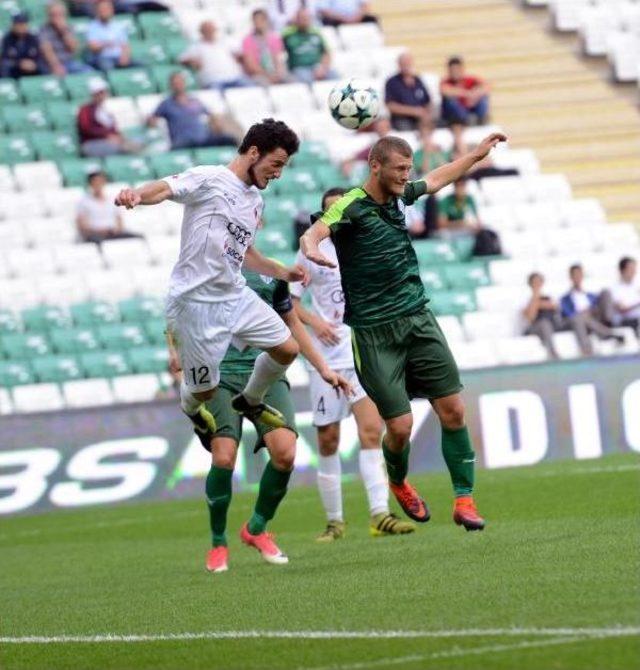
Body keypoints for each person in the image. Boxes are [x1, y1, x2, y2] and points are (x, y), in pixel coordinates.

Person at [114, 122, 324, 550]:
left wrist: (282, 271)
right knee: (204, 391)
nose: (279, 172)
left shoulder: (254, 201)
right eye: (276, 163)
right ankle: (191, 406)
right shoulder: (211, 178)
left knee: (286, 346)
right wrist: (137, 194)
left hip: (235, 294)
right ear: (252, 151)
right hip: (195, 303)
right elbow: (166, 189)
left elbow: (246, 254)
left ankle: (250, 398)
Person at [300, 131, 508, 531]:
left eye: (407, 170)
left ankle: (464, 500)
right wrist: (310, 246)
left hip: (417, 317)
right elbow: (317, 230)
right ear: (375, 165)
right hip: (373, 331)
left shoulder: (398, 195)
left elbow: (435, 179)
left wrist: (475, 156)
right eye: (398, 169)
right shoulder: (351, 205)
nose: (404, 176)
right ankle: (397, 481)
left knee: (453, 409)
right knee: (399, 427)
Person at [181, 267, 350, 573]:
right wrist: (179, 357)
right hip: (221, 372)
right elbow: (179, 316)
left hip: (266, 371)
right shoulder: (205, 267)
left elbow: (291, 323)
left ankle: (256, 528)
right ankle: (218, 542)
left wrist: (324, 368)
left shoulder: (272, 274)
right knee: (224, 457)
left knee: (285, 453)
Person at [291, 188, 415, 541]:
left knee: (372, 431)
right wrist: (317, 323)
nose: (337, 216)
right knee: (328, 439)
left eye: (342, 209)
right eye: (330, 211)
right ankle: (335, 521)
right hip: (325, 360)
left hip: (362, 351)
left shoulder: (366, 244)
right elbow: (289, 303)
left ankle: (380, 514)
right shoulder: (311, 252)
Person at [149, 72, 238, 150]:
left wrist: (216, 124)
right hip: (183, 142)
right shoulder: (166, 104)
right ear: (171, 86)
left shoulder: (194, 101)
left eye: (180, 82)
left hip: (202, 139)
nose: (178, 85)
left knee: (230, 140)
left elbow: (210, 115)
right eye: (175, 83)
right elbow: (152, 119)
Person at [559, 264, 623, 355]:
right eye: (575, 275)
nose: (577, 277)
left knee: (606, 292)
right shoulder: (565, 299)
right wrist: (583, 312)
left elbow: (599, 307)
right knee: (579, 318)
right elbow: (569, 314)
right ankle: (605, 334)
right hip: (579, 319)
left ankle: (608, 325)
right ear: (571, 277)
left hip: (594, 317)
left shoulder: (590, 296)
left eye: (579, 274)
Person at [179, 20, 249, 91]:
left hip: (235, 78)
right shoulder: (196, 46)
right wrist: (192, 61)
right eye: (206, 30)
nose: (209, 32)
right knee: (214, 95)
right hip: (213, 81)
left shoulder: (225, 42)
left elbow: (241, 55)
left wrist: (240, 58)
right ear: (201, 32)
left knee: (252, 88)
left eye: (211, 29)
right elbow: (182, 59)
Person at [77, 77, 138, 157]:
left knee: (134, 142)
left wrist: (118, 137)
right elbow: (87, 128)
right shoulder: (85, 110)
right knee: (123, 148)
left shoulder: (105, 110)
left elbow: (113, 129)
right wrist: (106, 136)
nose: (103, 95)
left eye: (104, 92)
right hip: (93, 143)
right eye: (100, 93)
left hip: (109, 141)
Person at [76, 171, 141, 243]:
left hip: (112, 233)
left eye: (100, 181)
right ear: (90, 183)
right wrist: (98, 231)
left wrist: (116, 230)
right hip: (95, 234)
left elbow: (119, 221)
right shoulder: (84, 202)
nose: (98, 184)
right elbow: (82, 225)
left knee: (137, 238)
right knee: (98, 241)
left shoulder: (112, 200)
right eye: (95, 181)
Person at [282, 8, 336, 85]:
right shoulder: (288, 35)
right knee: (306, 79)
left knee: (334, 76)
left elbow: (326, 53)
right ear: (296, 20)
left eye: (307, 18)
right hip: (299, 68)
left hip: (317, 66)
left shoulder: (315, 33)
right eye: (302, 18)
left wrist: (323, 68)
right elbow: (278, 53)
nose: (305, 20)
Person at [40, 3, 93, 75]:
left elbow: (74, 49)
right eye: (54, 15)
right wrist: (56, 65)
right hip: (50, 64)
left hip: (69, 62)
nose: (57, 17)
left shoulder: (68, 28)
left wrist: (64, 32)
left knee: (89, 72)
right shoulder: (44, 30)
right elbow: (47, 51)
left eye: (60, 14)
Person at [384, 52, 432, 132]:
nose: (406, 66)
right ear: (399, 65)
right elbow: (390, 105)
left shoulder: (418, 80)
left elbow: (428, 101)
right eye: (404, 63)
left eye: (408, 63)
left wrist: (425, 113)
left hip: (419, 119)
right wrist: (414, 111)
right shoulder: (392, 82)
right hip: (401, 119)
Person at [242, 9, 289, 86]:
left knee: (291, 81)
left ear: (266, 21)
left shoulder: (275, 38)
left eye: (261, 20)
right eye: (256, 21)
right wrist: (268, 75)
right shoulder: (247, 41)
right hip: (259, 75)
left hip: (275, 72)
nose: (258, 23)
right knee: (263, 83)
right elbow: (251, 66)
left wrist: (278, 73)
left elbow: (279, 59)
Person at [440, 56, 490, 127]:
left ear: (462, 69)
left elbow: (486, 86)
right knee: (450, 100)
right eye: (452, 70)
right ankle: (465, 120)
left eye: (457, 69)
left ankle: (480, 120)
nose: (455, 72)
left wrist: (475, 95)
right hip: (455, 115)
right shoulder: (446, 82)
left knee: (483, 98)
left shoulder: (470, 79)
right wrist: (467, 94)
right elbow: (445, 91)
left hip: (470, 108)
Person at [522, 273, 562, 360]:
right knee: (544, 324)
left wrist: (538, 304)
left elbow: (555, 307)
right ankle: (553, 353)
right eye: (534, 282)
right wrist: (536, 300)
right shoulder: (525, 299)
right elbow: (531, 317)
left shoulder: (549, 296)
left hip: (552, 324)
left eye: (539, 281)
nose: (537, 284)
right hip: (535, 327)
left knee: (546, 324)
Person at [86, 0, 133, 71]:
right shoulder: (92, 27)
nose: (105, 11)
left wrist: (124, 56)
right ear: (97, 11)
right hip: (102, 57)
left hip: (118, 56)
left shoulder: (118, 26)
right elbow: (93, 47)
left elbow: (125, 45)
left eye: (107, 9)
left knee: (140, 65)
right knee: (107, 66)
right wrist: (105, 44)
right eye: (102, 9)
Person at [0, 12, 44, 79]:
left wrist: (33, 64)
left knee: (43, 67)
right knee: (5, 67)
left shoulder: (33, 38)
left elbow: (39, 56)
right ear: (13, 25)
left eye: (23, 23)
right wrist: (19, 63)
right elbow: (5, 59)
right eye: (18, 24)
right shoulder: (7, 39)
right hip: (15, 69)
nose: (21, 26)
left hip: (32, 67)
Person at [610, 257, 640, 336]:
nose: (634, 272)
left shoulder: (636, 287)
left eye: (634, 269)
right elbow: (622, 309)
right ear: (622, 270)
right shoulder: (615, 289)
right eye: (631, 269)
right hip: (626, 321)